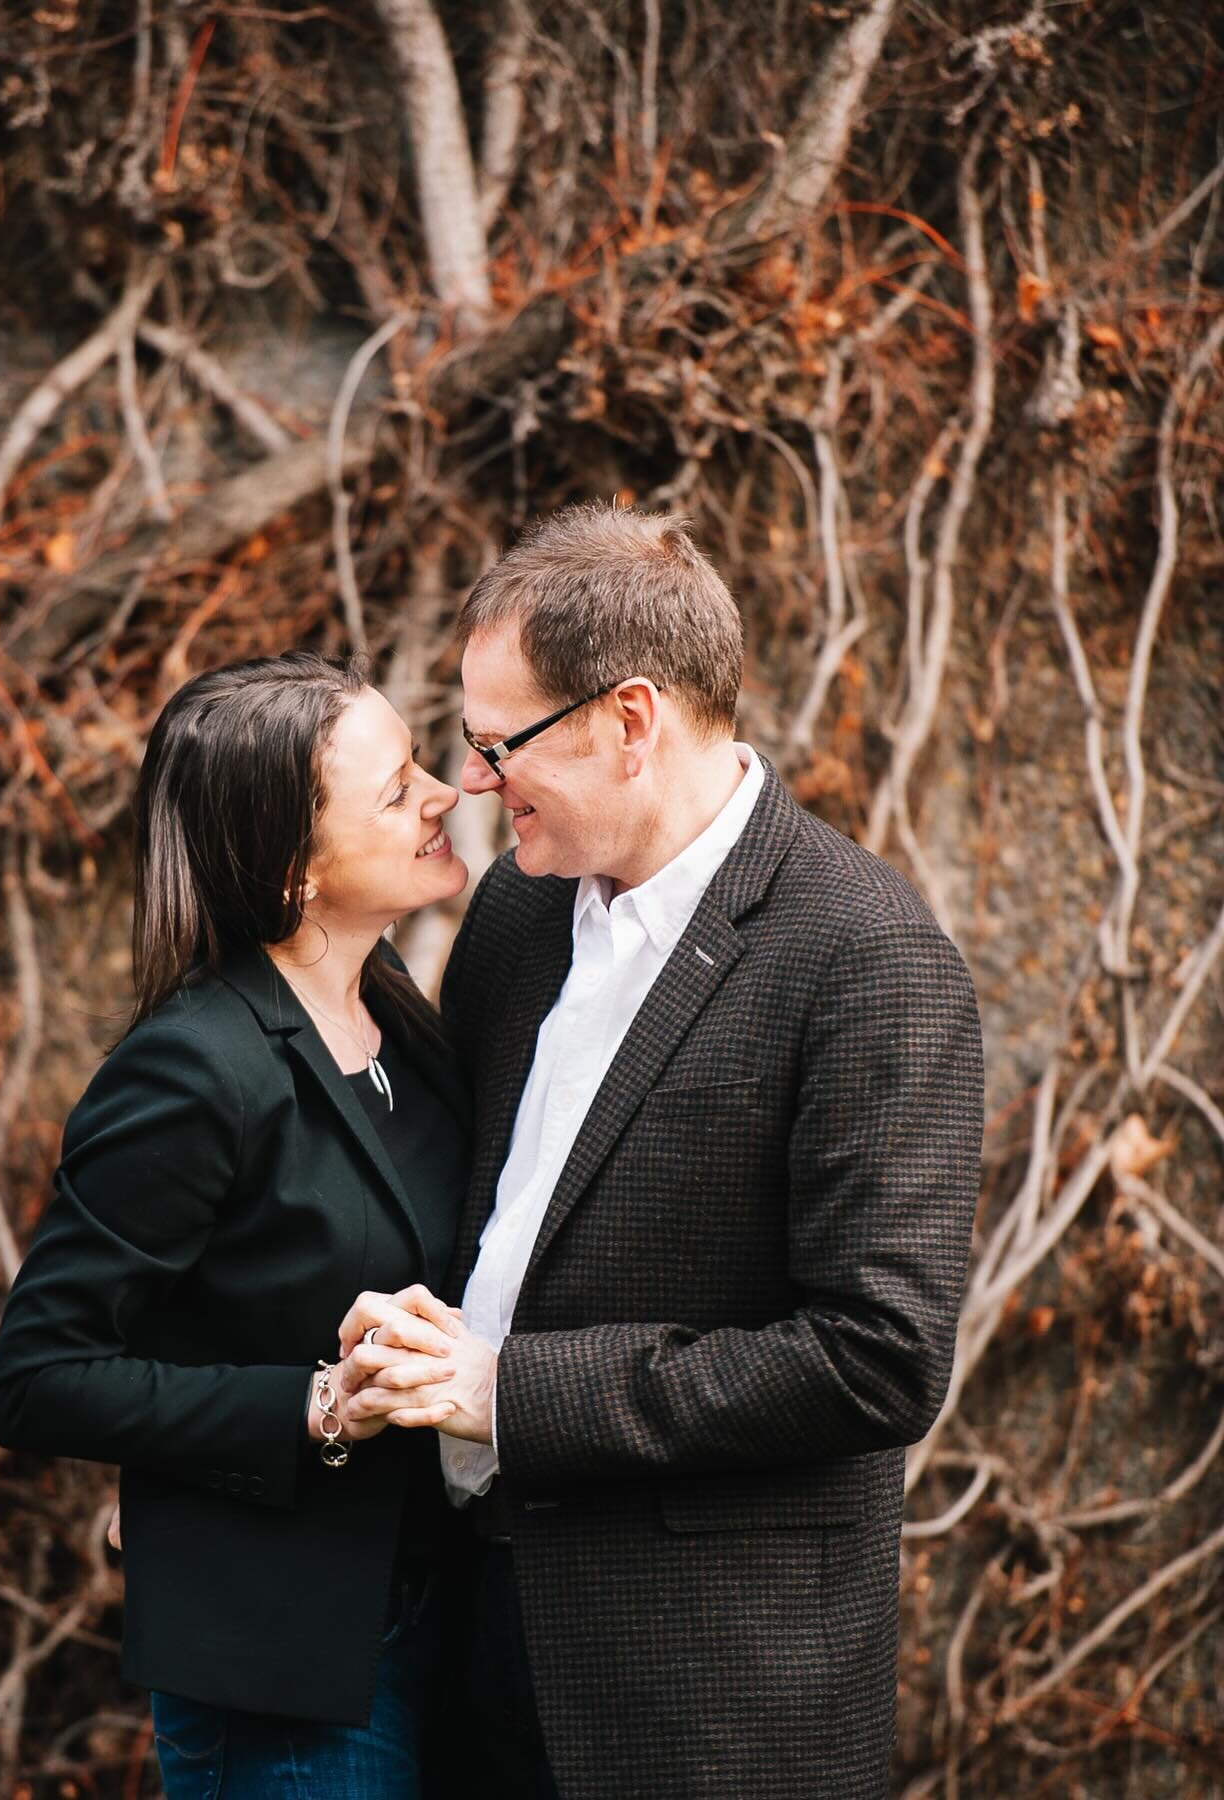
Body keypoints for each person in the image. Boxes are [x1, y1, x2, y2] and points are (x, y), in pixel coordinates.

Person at [337, 505, 986, 1800]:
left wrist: (509, 1395)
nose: (473, 783)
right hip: (474, 1647)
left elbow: (878, 1358)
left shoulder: (869, 963)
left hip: (705, 1701)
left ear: (632, 722)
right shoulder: (521, 911)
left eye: (499, 744)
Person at [0, 652, 477, 1799]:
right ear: (294, 870)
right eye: (398, 788)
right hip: (286, 1677)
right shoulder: (190, 1071)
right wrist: (305, 1405)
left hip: (431, 1624)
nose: (444, 793)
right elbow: (40, 1375)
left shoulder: (391, 1002)